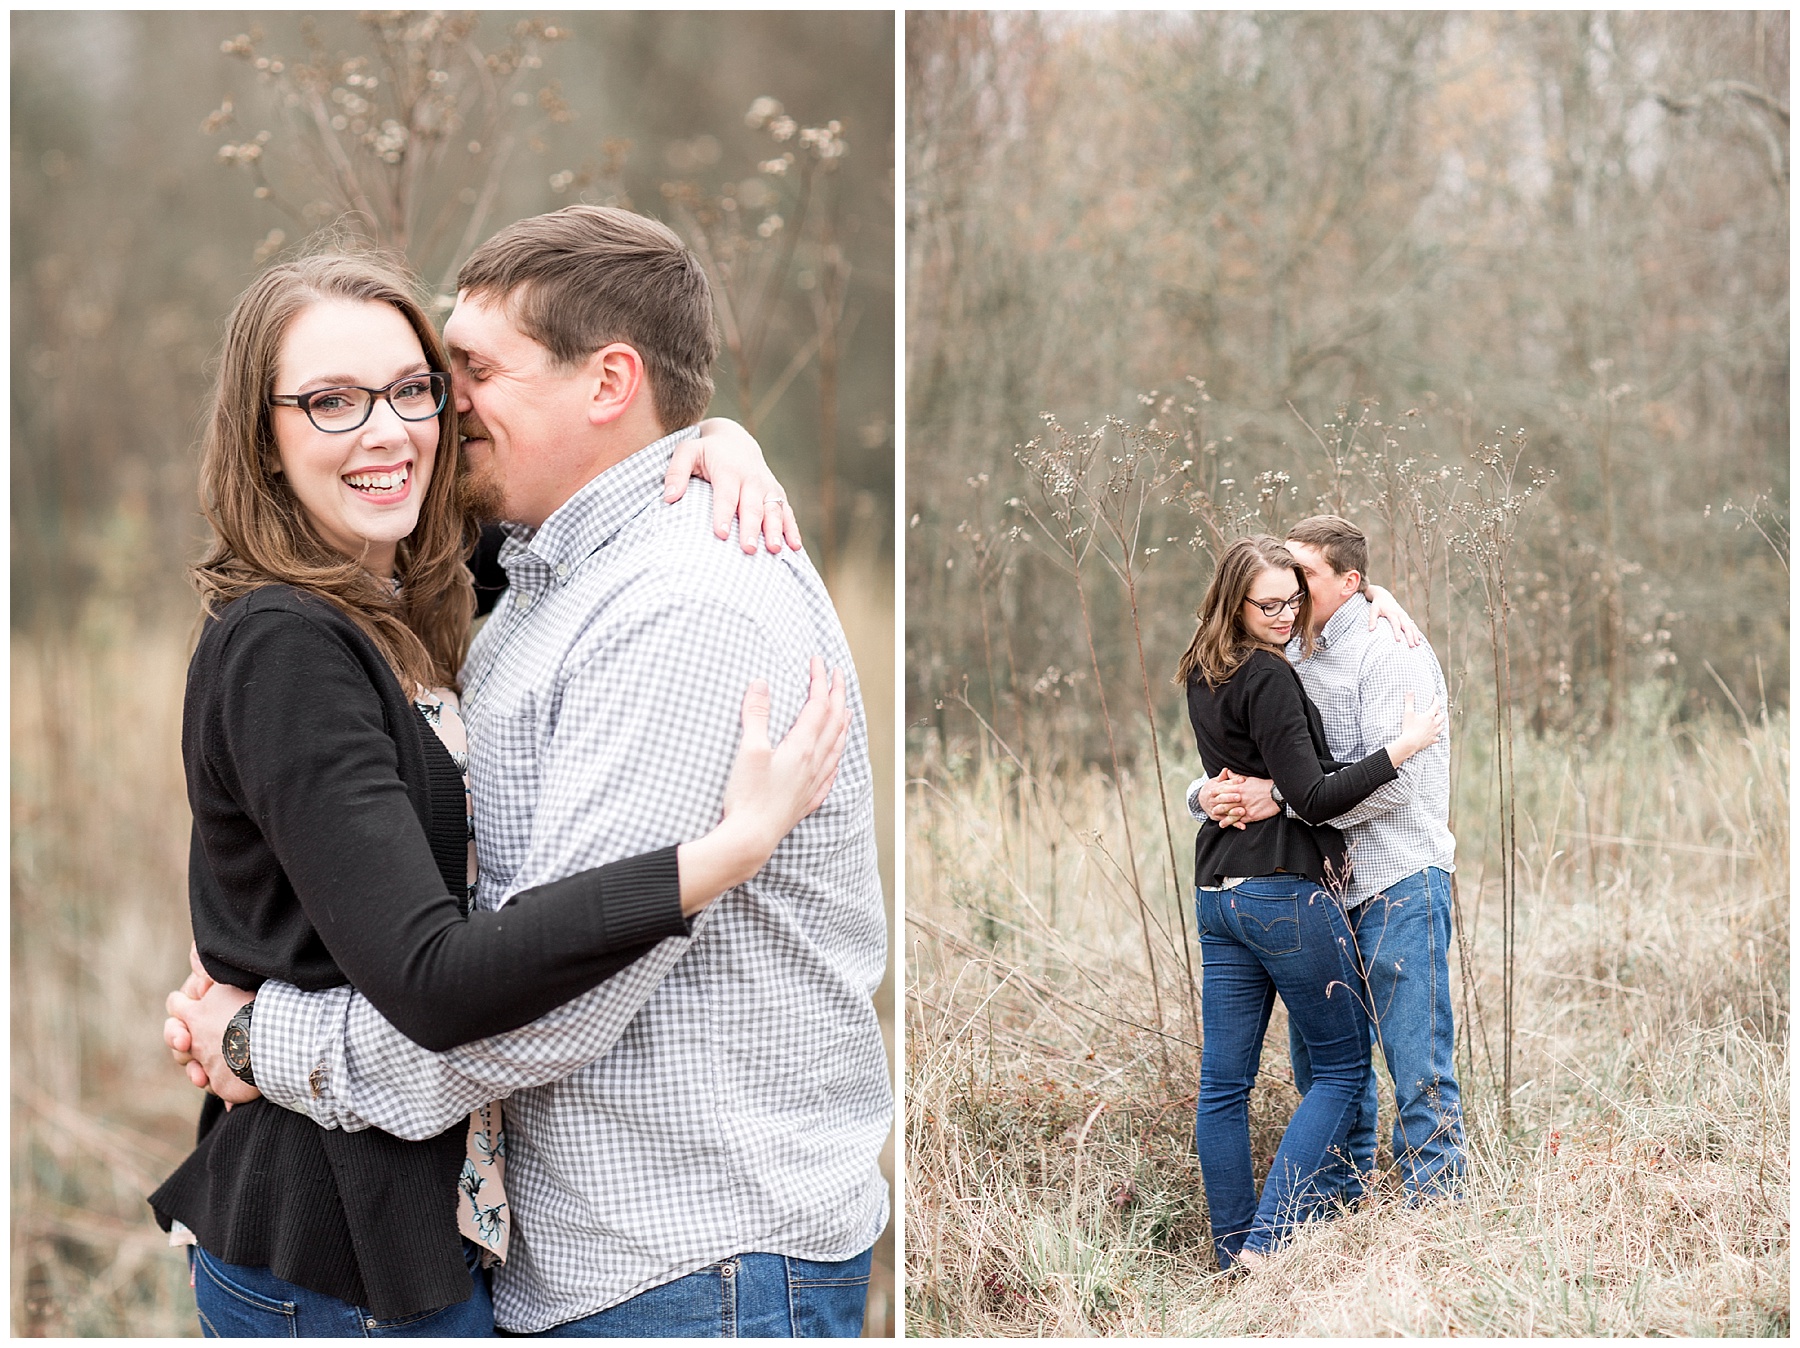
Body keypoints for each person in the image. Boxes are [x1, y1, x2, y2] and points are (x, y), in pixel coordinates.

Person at [169, 206, 889, 1337]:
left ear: (608, 383)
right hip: (415, 1238)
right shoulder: (424, 605)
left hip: (689, 1262)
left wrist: (263, 1040)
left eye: (448, 376)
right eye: (332, 400)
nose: (432, 413)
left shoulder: (667, 597)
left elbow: (534, 1012)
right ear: (265, 433)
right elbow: (448, 964)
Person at [1177, 535, 1444, 1272]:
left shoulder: (1203, 666)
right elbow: (1315, 797)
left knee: (1222, 1086)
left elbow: (1247, 778)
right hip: (1282, 895)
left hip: (1218, 893)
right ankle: (1265, 1245)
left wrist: (1375, 596)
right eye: (1270, 604)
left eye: (1295, 598)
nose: (1287, 613)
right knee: (1343, 1071)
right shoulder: (1268, 676)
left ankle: (1231, 1254)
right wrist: (1402, 748)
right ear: (1236, 601)